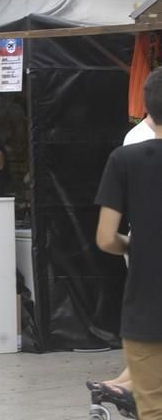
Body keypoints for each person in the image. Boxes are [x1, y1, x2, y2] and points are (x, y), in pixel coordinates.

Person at [95, 67, 162, 420]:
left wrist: (134, 246)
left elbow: (106, 238)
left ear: (149, 114)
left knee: (151, 408)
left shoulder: (125, 160)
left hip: (147, 310)